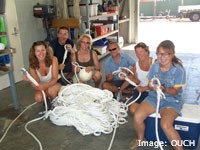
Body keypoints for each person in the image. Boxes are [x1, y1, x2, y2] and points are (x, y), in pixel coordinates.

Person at [130, 40, 186, 150]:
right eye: (159, 53)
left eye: (165, 54)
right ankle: (141, 140)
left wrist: (163, 89)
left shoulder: (179, 70)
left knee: (165, 124)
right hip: (154, 97)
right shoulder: (155, 66)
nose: (162, 57)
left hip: (171, 100)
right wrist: (152, 86)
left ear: (172, 54)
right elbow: (150, 84)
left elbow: (176, 91)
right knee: (137, 117)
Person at [23, 41, 62, 107]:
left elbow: (55, 78)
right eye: (38, 51)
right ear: (34, 53)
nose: (41, 53)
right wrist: (30, 80)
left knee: (51, 91)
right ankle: (48, 98)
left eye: (43, 50)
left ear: (46, 51)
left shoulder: (54, 59)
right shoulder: (32, 67)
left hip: (56, 82)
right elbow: (37, 84)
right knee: (38, 98)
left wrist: (45, 87)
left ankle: (56, 104)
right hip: (42, 85)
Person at [120, 42, 155, 114]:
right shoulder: (136, 65)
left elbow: (158, 83)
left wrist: (144, 88)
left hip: (153, 91)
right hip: (141, 91)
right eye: (137, 53)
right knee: (132, 110)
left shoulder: (155, 63)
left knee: (145, 111)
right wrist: (126, 77)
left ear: (146, 51)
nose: (139, 55)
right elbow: (137, 81)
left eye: (141, 52)